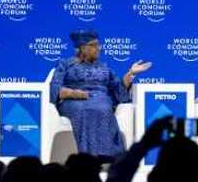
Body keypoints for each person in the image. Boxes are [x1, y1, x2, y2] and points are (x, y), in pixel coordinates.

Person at [49, 30, 151, 161]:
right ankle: (86, 158)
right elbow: (55, 87)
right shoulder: (65, 64)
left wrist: (131, 73)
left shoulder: (104, 67)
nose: (99, 48)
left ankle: (106, 156)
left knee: (101, 108)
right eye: (93, 45)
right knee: (84, 109)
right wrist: (74, 93)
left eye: (98, 45)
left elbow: (118, 89)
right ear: (82, 48)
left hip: (101, 100)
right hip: (73, 100)